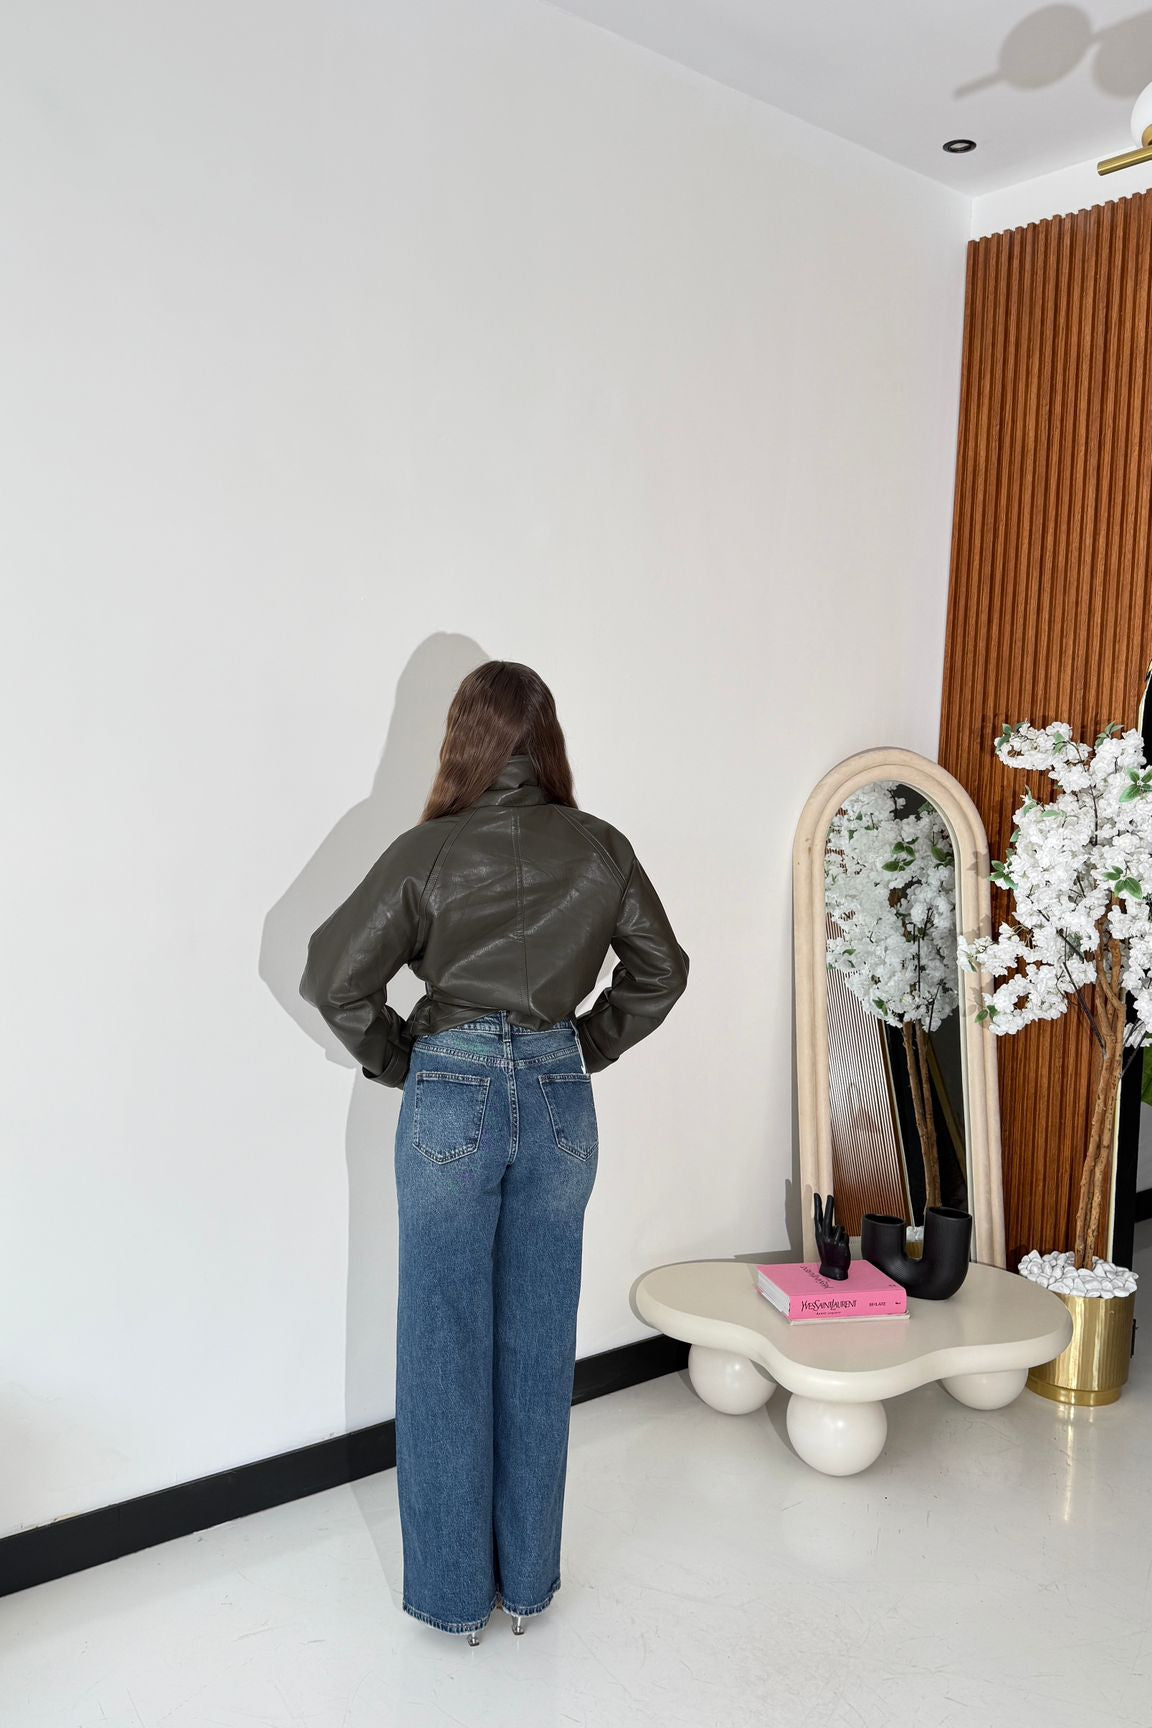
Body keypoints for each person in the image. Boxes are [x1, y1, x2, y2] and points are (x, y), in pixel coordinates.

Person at [300, 661, 688, 1643]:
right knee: (539, 1339)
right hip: (558, 1095)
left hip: (453, 1092)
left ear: (463, 741)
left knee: (441, 1345)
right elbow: (661, 970)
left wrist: (406, 1061)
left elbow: (333, 978)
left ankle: (453, 1599)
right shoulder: (599, 849)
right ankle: (527, 1587)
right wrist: (582, 1045)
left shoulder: (427, 852)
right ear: (548, 740)